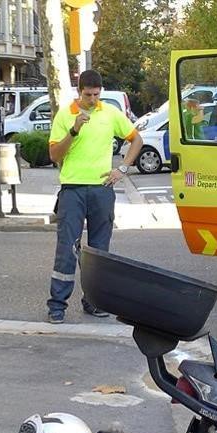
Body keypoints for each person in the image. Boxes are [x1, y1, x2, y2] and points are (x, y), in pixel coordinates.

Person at [45, 69, 143, 324]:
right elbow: (55, 156)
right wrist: (74, 131)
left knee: (100, 251)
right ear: (80, 92)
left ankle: (93, 302)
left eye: (96, 94)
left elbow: (136, 139)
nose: (92, 99)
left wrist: (122, 168)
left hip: (102, 190)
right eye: (88, 95)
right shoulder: (65, 115)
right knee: (67, 249)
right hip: (73, 189)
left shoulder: (110, 113)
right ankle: (57, 305)